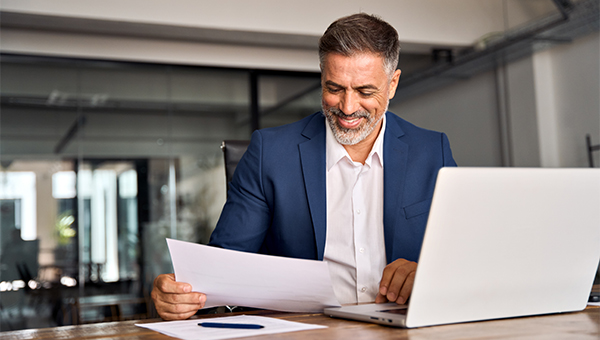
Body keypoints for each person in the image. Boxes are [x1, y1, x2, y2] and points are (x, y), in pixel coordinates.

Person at [152, 13, 456, 321]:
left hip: (407, 328)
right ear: (322, 76)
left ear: (392, 84)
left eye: (365, 91)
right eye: (335, 88)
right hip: (304, 330)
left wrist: (428, 273)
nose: (347, 108)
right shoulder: (269, 153)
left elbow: (464, 258)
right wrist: (178, 295)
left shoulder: (433, 152)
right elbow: (224, 269)